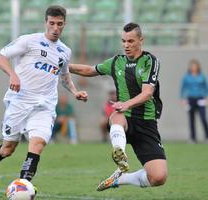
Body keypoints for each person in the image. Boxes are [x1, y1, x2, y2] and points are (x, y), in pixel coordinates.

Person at [0, 5, 88, 193]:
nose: (55, 28)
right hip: (20, 102)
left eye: (60, 24)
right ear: (46, 22)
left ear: (64, 25)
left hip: (45, 105)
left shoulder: (64, 51)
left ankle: (23, 186)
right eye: (52, 23)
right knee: (8, 149)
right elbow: (0, 57)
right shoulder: (29, 41)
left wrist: (75, 92)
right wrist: (13, 75)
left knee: (38, 143)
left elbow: (64, 76)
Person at [69, 22, 167, 191]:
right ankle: (120, 155)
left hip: (147, 123)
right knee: (117, 116)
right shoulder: (116, 62)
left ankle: (120, 178)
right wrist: (63, 66)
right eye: (123, 41)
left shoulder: (149, 61)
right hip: (125, 118)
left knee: (158, 177)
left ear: (140, 40)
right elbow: (89, 70)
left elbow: (147, 92)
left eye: (130, 41)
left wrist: (126, 103)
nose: (126, 45)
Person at [180, 59, 208, 143]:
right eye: (192, 66)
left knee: (203, 118)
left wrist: (206, 98)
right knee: (191, 119)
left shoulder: (202, 76)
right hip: (191, 99)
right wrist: (183, 99)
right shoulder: (186, 77)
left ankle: (206, 136)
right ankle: (193, 138)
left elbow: (205, 88)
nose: (193, 67)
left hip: (200, 98)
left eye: (195, 66)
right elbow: (183, 88)